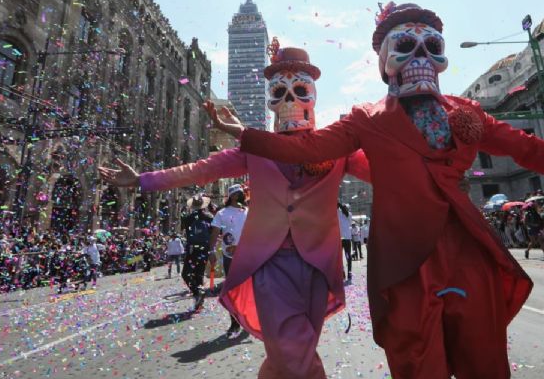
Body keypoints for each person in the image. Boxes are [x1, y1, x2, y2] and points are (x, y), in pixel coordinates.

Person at [208, 2, 544, 379]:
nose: (422, 57)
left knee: (486, 361)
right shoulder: (366, 119)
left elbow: (528, 149)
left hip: (468, 254)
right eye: (407, 45)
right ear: (385, 61)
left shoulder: (467, 112)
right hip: (404, 266)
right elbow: (310, 147)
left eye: (433, 46)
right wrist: (243, 135)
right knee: (418, 365)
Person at [101, 43, 370, 379]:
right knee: (292, 352)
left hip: (318, 266)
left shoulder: (336, 147)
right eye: (279, 91)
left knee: (290, 355)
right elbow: (199, 170)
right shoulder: (253, 150)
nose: (289, 100)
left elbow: (387, 172)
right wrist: (143, 180)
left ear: (313, 94)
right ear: (270, 98)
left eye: (299, 89)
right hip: (269, 265)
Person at [209, 184, 249, 338]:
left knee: (248, 290)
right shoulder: (222, 213)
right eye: (237, 194)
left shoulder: (248, 211)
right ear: (231, 196)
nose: (240, 196)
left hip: (248, 257)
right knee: (232, 291)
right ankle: (234, 323)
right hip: (229, 257)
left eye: (241, 194)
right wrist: (211, 251)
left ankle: (247, 320)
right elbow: (214, 233)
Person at [180, 196, 214, 310]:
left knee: (186, 273)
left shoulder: (188, 218)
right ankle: (199, 300)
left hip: (192, 248)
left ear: (193, 206)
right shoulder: (209, 217)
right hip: (204, 249)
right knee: (199, 274)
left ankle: (197, 293)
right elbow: (213, 234)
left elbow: (186, 233)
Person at [337, 203, 353, 282]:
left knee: (344, 256)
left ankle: (346, 272)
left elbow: (342, 210)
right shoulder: (347, 214)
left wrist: (339, 205)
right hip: (345, 238)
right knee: (346, 256)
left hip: (342, 238)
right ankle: (346, 272)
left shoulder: (348, 214)